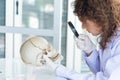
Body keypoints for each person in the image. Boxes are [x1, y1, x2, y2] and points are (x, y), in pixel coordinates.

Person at [43, 0, 120, 80]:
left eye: (84, 22)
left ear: (100, 18)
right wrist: (90, 51)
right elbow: (102, 71)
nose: (83, 27)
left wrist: (60, 70)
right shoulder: (111, 34)